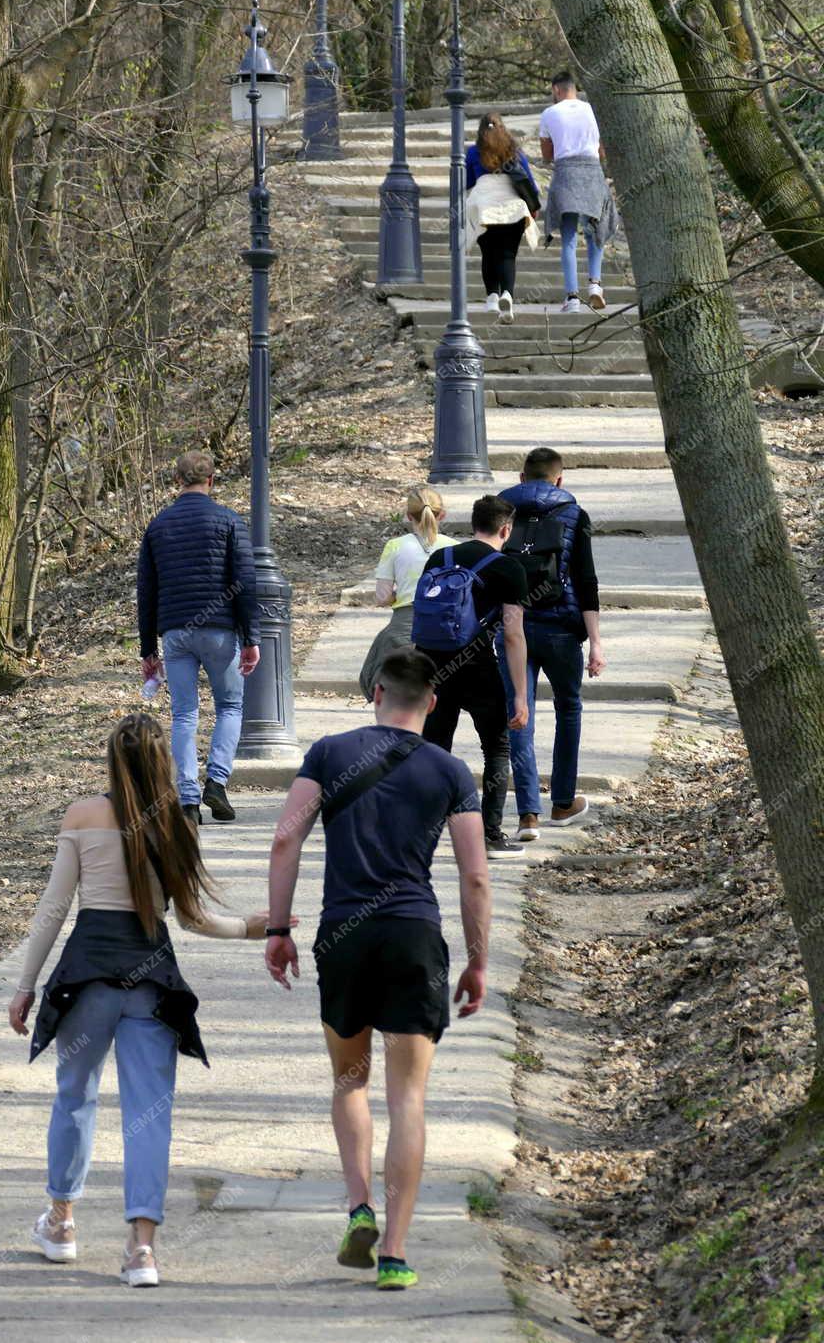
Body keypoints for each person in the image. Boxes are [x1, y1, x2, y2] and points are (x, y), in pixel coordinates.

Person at [8, 713, 284, 1288]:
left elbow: (54, 910)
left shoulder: (83, 815)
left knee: (75, 1098)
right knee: (148, 1114)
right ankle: (141, 1250)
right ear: (165, 762)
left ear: (113, 760)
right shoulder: (178, 826)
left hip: (86, 981)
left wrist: (26, 985)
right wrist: (250, 929)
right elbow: (191, 918)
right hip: (152, 985)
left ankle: (61, 1223)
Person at [263, 648, 492, 1292]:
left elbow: (286, 839)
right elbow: (474, 875)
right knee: (409, 1098)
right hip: (415, 936)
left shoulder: (330, 753)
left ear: (376, 692)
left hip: (345, 935)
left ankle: (358, 1204)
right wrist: (476, 960)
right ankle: (393, 1251)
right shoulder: (450, 770)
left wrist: (279, 930)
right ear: (433, 703)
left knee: (350, 1082)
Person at [137, 448, 260, 827]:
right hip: (221, 629)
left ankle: (188, 798)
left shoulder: (158, 526)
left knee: (184, 714)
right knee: (230, 707)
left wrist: (147, 649)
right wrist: (251, 636)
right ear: (211, 481)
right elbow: (245, 581)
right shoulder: (228, 521)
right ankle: (217, 783)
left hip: (176, 633)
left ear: (177, 481)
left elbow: (146, 589)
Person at [496, 447, 606, 842]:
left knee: (518, 714)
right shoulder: (573, 514)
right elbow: (587, 581)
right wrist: (595, 642)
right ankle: (562, 802)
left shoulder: (501, 511)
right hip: (561, 630)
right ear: (559, 479)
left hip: (513, 630)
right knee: (569, 708)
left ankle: (528, 815)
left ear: (522, 477)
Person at [415, 495, 530, 858]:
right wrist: (521, 695)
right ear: (506, 529)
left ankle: (424, 833)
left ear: (473, 523)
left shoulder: (440, 558)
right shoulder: (509, 568)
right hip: (478, 666)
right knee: (496, 748)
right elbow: (513, 635)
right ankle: (489, 835)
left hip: (432, 666)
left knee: (434, 749)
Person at [358, 485, 457, 702]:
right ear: (443, 515)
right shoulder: (455, 548)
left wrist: (398, 594)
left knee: (378, 670)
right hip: (445, 628)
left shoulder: (395, 546)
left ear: (407, 515)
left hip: (405, 627)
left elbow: (382, 597)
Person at [538, 69, 618, 315]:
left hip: (565, 176)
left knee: (569, 239)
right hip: (592, 172)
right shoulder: (593, 109)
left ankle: (572, 298)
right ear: (575, 89)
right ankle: (595, 285)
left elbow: (547, 155)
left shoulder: (549, 114)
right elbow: (603, 150)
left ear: (556, 90)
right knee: (596, 231)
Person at [465, 111, 541, 325]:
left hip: (484, 206)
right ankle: (507, 294)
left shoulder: (473, 153)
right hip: (512, 207)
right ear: (503, 128)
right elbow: (528, 181)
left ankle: (491, 297)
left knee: (488, 253)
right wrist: (533, 207)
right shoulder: (514, 151)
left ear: (480, 130)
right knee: (508, 255)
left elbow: (466, 182)